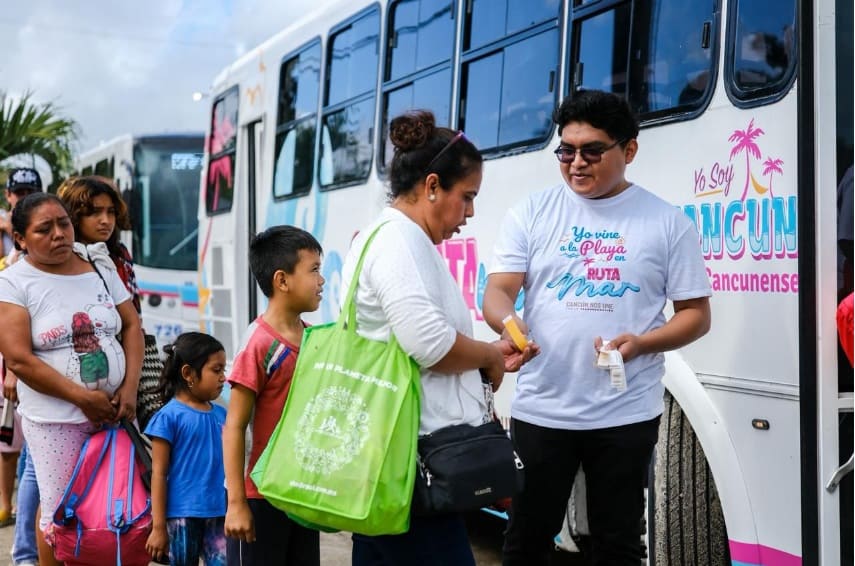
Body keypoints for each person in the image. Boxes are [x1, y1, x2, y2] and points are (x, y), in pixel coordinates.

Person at [483, 90, 712, 566]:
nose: (576, 163)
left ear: (628, 151)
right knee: (525, 540)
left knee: (618, 544)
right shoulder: (534, 212)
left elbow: (696, 315)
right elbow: (498, 292)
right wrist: (511, 325)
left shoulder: (667, 223)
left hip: (626, 414)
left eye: (592, 151)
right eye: (566, 151)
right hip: (543, 410)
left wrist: (643, 343)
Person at [340, 110, 534, 566]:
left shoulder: (397, 238)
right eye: (466, 197)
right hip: (413, 460)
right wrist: (487, 356)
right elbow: (428, 344)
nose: (470, 213)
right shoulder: (398, 241)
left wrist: (486, 358)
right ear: (431, 186)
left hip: (397, 456)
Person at [0, 192, 143, 566]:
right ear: (20, 239)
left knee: (114, 505)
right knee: (60, 514)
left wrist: (128, 391)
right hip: (56, 421)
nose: (59, 234)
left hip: (115, 413)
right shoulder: (14, 282)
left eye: (63, 223)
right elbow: (18, 358)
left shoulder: (98, 264)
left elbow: (131, 326)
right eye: (44, 229)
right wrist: (82, 398)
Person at [223, 225, 324, 566]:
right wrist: (237, 502)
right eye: (313, 270)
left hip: (298, 490)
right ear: (282, 280)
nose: (321, 281)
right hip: (260, 495)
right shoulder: (260, 344)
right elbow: (234, 426)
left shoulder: (311, 337)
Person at [144, 332, 228, 566]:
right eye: (216, 370)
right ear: (188, 373)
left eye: (223, 370)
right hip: (181, 515)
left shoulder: (223, 416)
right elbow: (159, 475)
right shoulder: (168, 417)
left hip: (219, 511)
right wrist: (158, 527)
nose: (223, 377)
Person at [0, 168, 44, 566]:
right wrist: (13, 369)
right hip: (18, 368)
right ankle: (26, 548)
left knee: (32, 457)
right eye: (19, 192)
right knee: (16, 449)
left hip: (43, 373)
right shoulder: (13, 267)